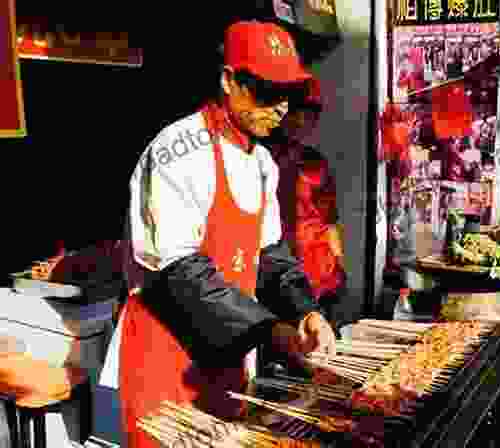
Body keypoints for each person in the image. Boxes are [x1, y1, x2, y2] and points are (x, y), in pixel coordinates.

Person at [100, 21, 337, 448]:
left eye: (290, 93)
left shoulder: (261, 161)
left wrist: (305, 311)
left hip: (227, 362)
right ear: (229, 80)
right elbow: (180, 273)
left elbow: (270, 254)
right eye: (267, 90)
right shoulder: (178, 150)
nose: (282, 106)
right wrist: (272, 333)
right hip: (165, 362)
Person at [263, 78, 352, 330]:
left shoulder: (316, 164)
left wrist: (339, 264)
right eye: (297, 113)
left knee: (323, 351)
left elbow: (330, 221)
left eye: (310, 115)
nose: (302, 122)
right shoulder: (258, 157)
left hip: (321, 275)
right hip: (278, 274)